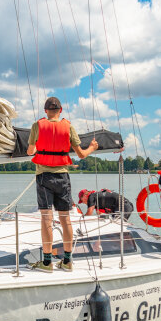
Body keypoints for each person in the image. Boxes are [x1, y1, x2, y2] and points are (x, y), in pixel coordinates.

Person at [26, 97, 98, 272]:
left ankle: (47, 262)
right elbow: (81, 154)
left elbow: (30, 151)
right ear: (61, 110)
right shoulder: (68, 126)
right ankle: (67, 261)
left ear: (45, 111)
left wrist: (39, 147)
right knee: (65, 219)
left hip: (43, 176)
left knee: (46, 219)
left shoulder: (37, 125)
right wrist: (92, 148)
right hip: (63, 177)